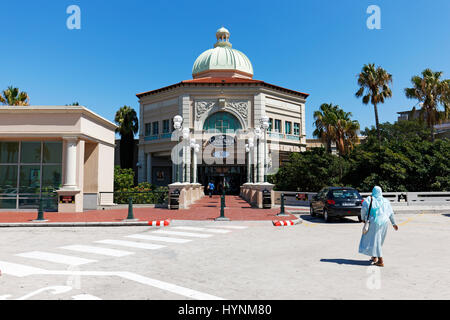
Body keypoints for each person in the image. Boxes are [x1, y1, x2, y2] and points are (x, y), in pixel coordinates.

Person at [358, 186, 399, 267]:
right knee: (379, 240)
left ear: (373, 191)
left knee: (375, 240)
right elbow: (391, 213)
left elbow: (363, 210)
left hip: (374, 222)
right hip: (384, 222)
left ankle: (380, 260)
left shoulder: (369, 199)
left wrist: (363, 219)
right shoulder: (386, 201)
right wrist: (394, 223)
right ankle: (374, 257)